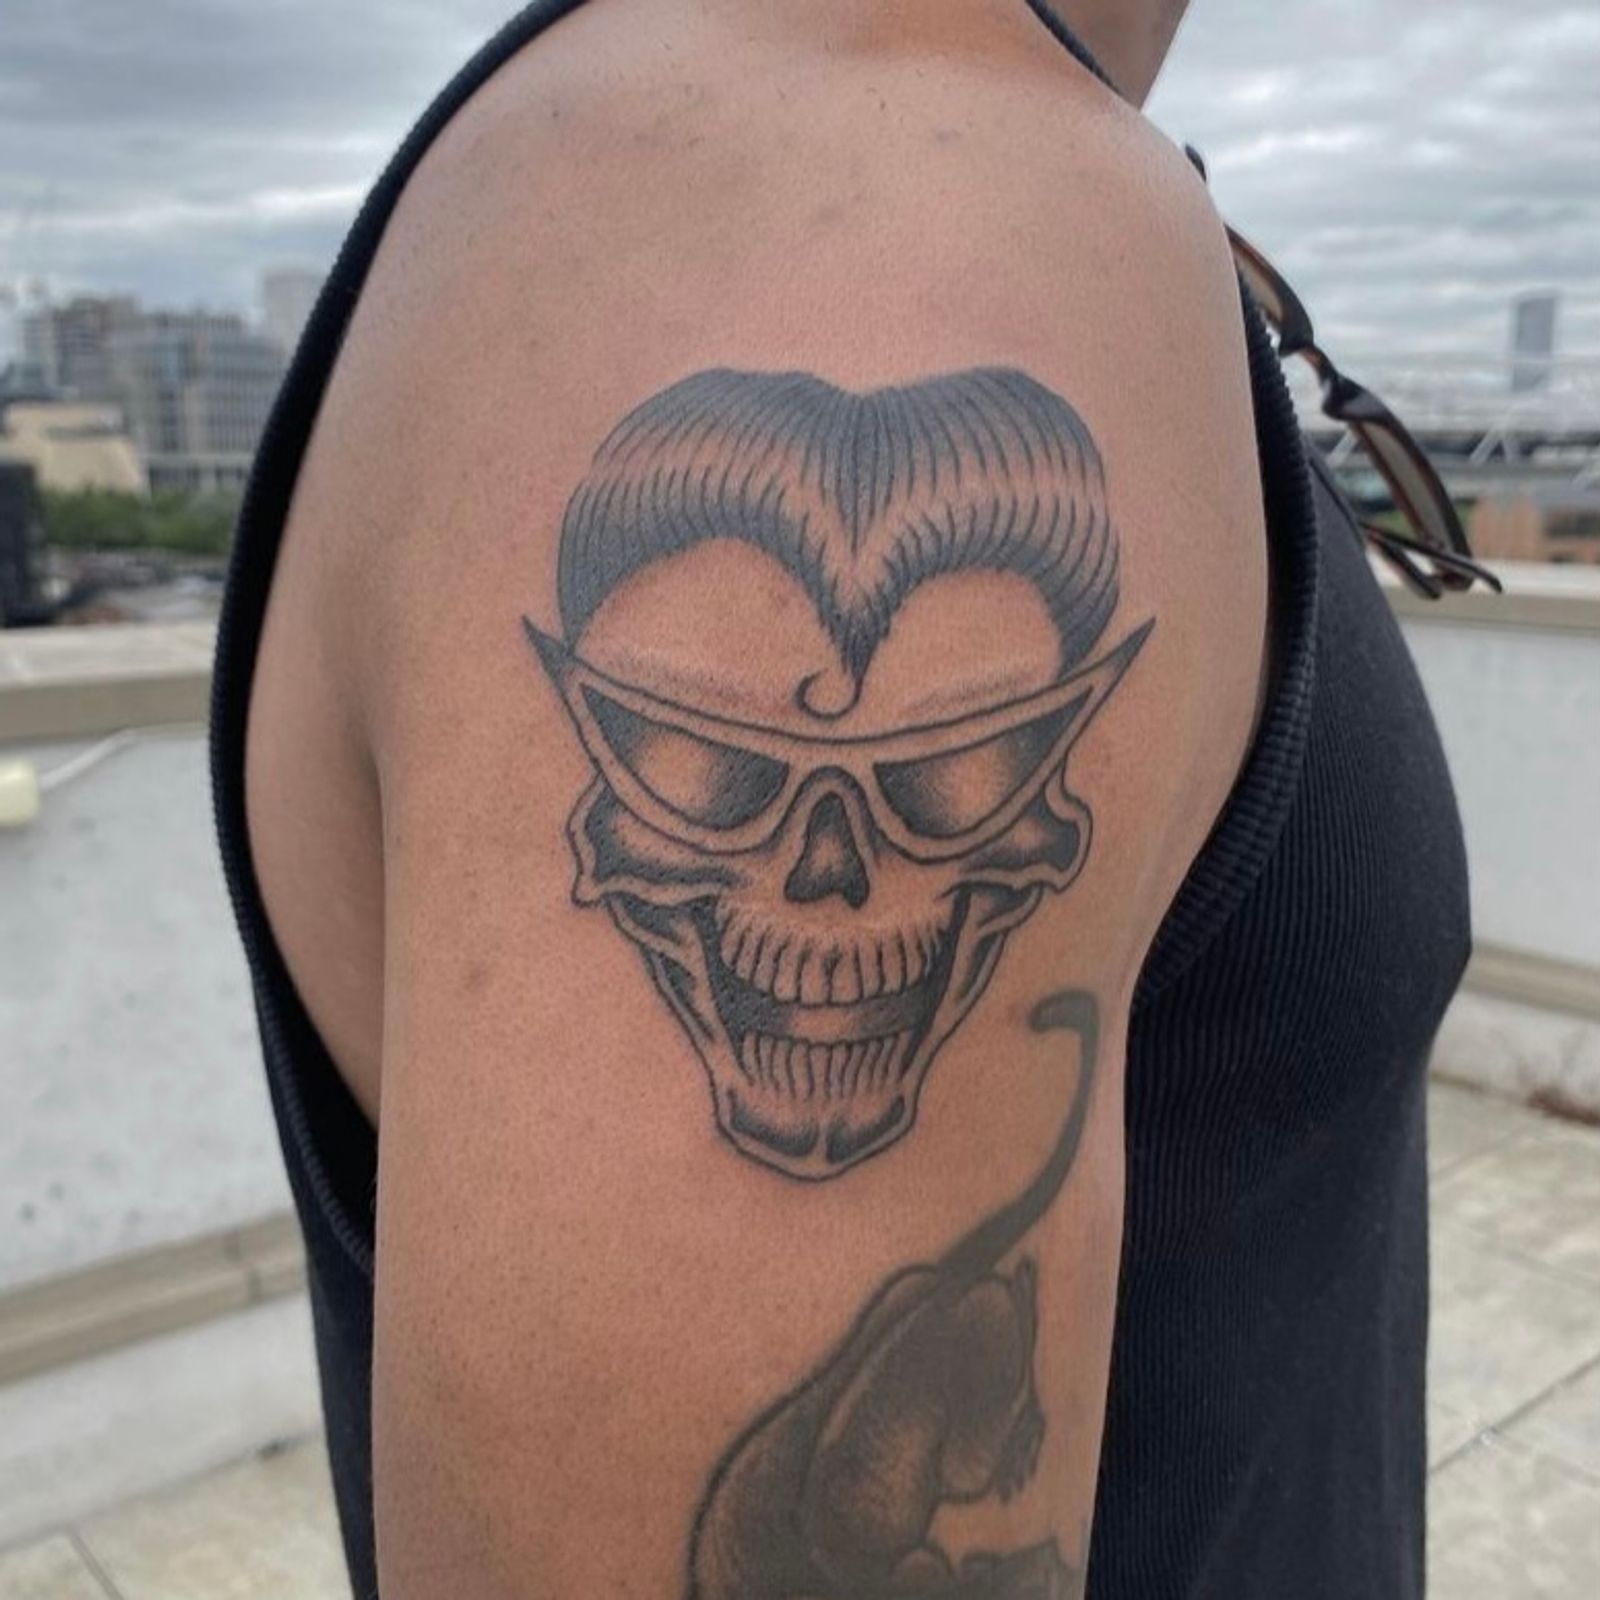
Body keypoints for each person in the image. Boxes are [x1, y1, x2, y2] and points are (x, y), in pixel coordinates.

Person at [212, 3, 1469, 1595]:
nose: (824, 877)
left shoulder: (990, 179)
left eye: (953, 772)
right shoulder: (881, 198)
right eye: (707, 767)